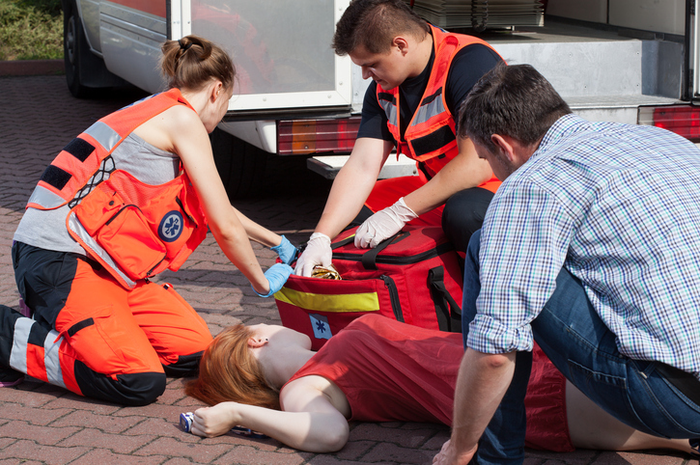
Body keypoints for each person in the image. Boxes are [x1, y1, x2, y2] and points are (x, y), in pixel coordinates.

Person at [0, 35, 296, 406]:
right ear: (218, 90)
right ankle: (11, 334)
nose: (221, 117)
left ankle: (70, 324)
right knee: (136, 380)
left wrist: (278, 243)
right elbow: (224, 226)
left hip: (107, 266)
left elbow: (216, 207)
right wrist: (261, 283)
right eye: (227, 105)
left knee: (196, 353)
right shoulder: (183, 120)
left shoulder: (161, 108)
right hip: (58, 260)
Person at [433, 63, 700, 465]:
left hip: (679, 400)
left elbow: (495, 352)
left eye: (486, 159)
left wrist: (459, 447)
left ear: (503, 145)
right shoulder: (660, 139)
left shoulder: (534, 183)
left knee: (485, 247)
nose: (492, 171)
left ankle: (494, 459)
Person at [183, 314, 695, 457]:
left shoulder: (321, 359)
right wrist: (237, 414)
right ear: (255, 341)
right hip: (522, 393)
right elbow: (328, 435)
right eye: (261, 325)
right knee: (683, 428)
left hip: (522, 363)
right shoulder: (303, 387)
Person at [294, 0, 503, 277]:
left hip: (502, 188)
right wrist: (321, 236)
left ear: (400, 45)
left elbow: (478, 164)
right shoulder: (382, 90)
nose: (365, 75)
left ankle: (480, 296)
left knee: (464, 214)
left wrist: (400, 211)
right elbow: (362, 167)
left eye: (371, 64)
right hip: (442, 188)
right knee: (350, 217)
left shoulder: (469, 64)